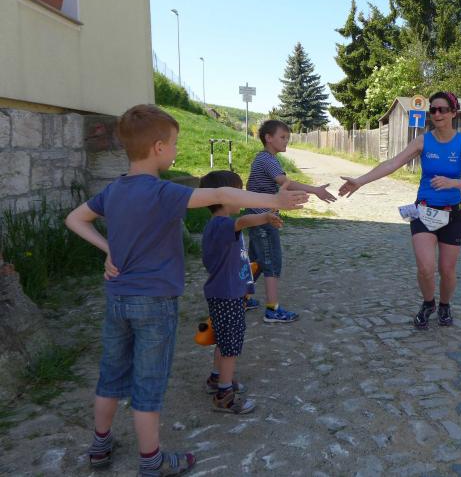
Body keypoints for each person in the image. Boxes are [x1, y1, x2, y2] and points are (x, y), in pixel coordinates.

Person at [65, 105, 307, 476]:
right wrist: (274, 200)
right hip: (155, 303)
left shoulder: (113, 190)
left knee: (110, 376)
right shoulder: (162, 192)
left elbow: (75, 219)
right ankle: (151, 461)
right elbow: (219, 193)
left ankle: (100, 445)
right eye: (175, 143)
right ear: (159, 148)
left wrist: (109, 248)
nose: (177, 149)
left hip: (117, 299)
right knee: (148, 385)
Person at [338, 92, 461, 328]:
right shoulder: (422, 141)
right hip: (423, 212)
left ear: (453, 113)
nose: (437, 114)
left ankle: (444, 305)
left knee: (447, 270)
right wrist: (360, 181)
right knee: (426, 268)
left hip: (453, 214)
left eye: (442, 109)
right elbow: (392, 163)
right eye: (433, 110)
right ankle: (428, 303)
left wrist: (453, 183)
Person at [199, 170, 285, 414]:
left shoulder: (219, 225)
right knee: (231, 345)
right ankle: (224, 394)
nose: (243, 197)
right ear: (224, 198)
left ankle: (216, 377)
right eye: (239, 193)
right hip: (226, 295)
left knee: (224, 338)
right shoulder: (223, 224)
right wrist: (265, 216)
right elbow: (243, 221)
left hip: (226, 292)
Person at [246, 119, 336, 323]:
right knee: (271, 262)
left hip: (256, 216)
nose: (286, 141)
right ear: (269, 138)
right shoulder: (267, 160)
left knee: (255, 261)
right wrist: (315, 190)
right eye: (283, 137)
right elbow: (285, 182)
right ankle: (272, 310)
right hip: (264, 219)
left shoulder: (265, 158)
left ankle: (242, 298)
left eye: (288, 137)